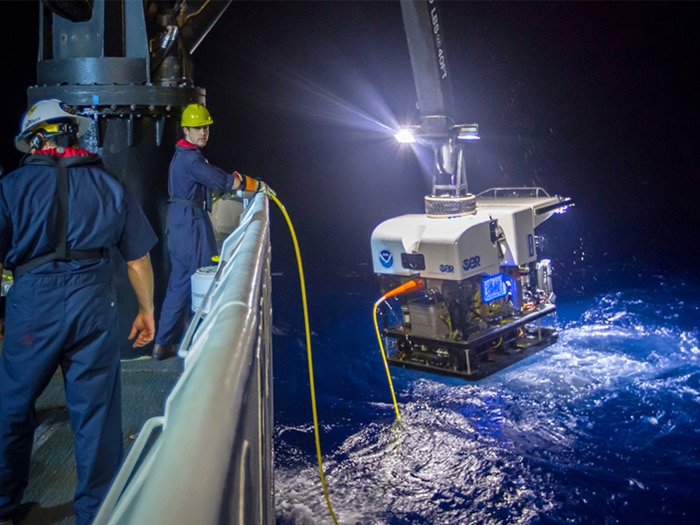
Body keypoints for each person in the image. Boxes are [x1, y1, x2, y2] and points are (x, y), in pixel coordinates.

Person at [0, 99, 158, 525]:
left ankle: (4, 505)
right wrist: (146, 312)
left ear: (35, 139)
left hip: (33, 306)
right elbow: (138, 259)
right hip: (93, 303)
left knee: (12, 407)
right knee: (97, 414)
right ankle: (99, 512)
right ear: (72, 134)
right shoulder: (110, 185)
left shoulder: (11, 187)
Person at [152, 103, 272, 360]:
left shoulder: (179, 156)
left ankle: (162, 345)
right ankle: (202, 345)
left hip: (178, 224)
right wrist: (255, 185)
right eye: (197, 128)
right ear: (185, 130)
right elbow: (222, 181)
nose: (203, 132)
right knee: (206, 282)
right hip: (192, 224)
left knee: (178, 285)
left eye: (205, 127)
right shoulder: (192, 159)